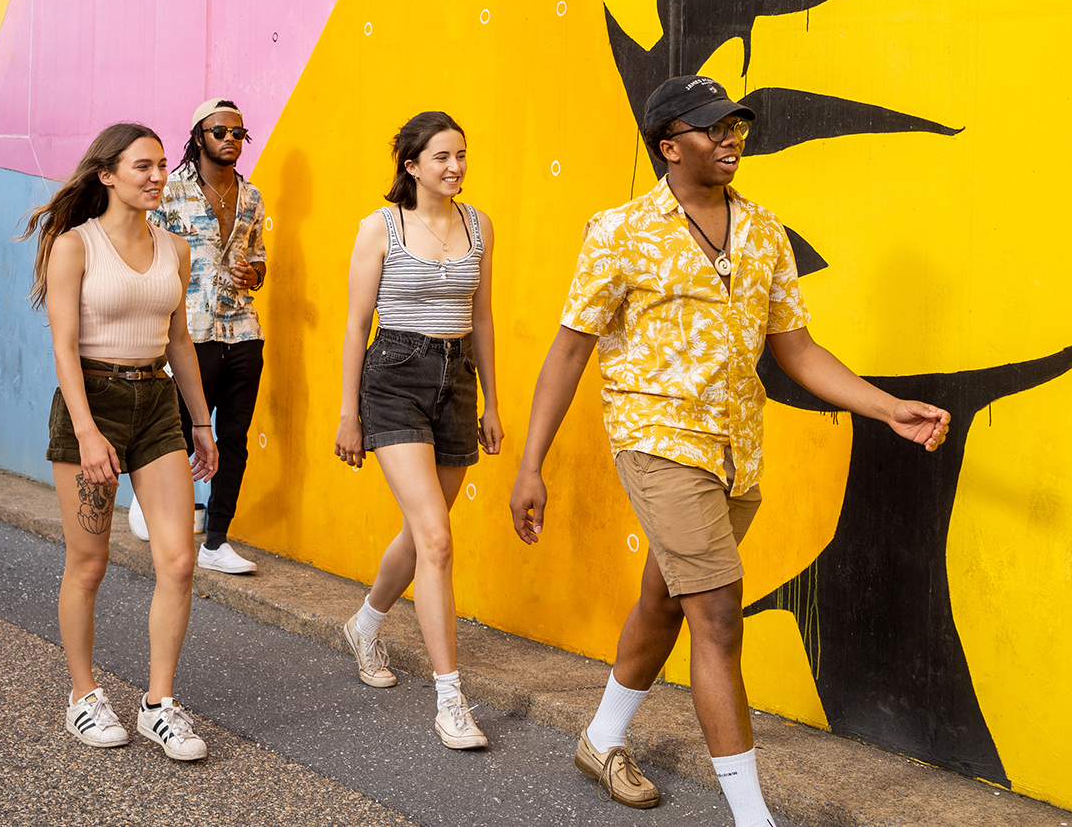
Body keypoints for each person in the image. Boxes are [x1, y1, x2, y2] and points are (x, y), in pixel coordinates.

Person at [508, 76, 951, 827]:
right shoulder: (618, 232)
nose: (731, 137)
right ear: (668, 145)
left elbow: (798, 350)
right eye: (712, 127)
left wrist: (884, 408)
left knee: (668, 595)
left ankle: (600, 738)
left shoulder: (766, 232)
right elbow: (569, 351)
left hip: (736, 451)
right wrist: (530, 464)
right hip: (656, 440)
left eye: (736, 124)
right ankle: (753, 818)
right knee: (717, 611)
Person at [23, 122, 222, 760]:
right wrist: (85, 432)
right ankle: (84, 696)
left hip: (157, 403)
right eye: (143, 166)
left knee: (180, 560)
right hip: (94, 402)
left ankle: (158, 704)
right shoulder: (75, 247)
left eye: (162, 165)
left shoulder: (176, 248)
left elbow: (180, 340)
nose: (158, 175)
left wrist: (200, 421)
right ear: (107, 175)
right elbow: (62, 347)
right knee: (89, 563)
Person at [333, 111, 503, 750]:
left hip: (456, 379)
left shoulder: (479, 225)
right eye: (441, 157)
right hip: (395, 376)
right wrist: (349, 412)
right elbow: (356, 324)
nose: (455, 166)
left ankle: (365, 624)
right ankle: (450, 699)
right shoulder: (379, 228)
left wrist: (490, 400)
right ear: (411, 166)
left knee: (420, 532)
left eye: (462, 154)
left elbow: (482, 317)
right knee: (436, 537)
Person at [132, 97, 267, 574]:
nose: (230, 139)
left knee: (234, 438)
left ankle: (216, 541)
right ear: (198, 137)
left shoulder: (251, 197)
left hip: (243, 330)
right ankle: (148, 501)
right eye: (219, 131)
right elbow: (145, 251)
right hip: (189, 329)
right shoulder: (170, 193)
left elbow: (259, 257)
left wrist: (257, 275)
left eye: (237, 133)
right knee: (178, 430)